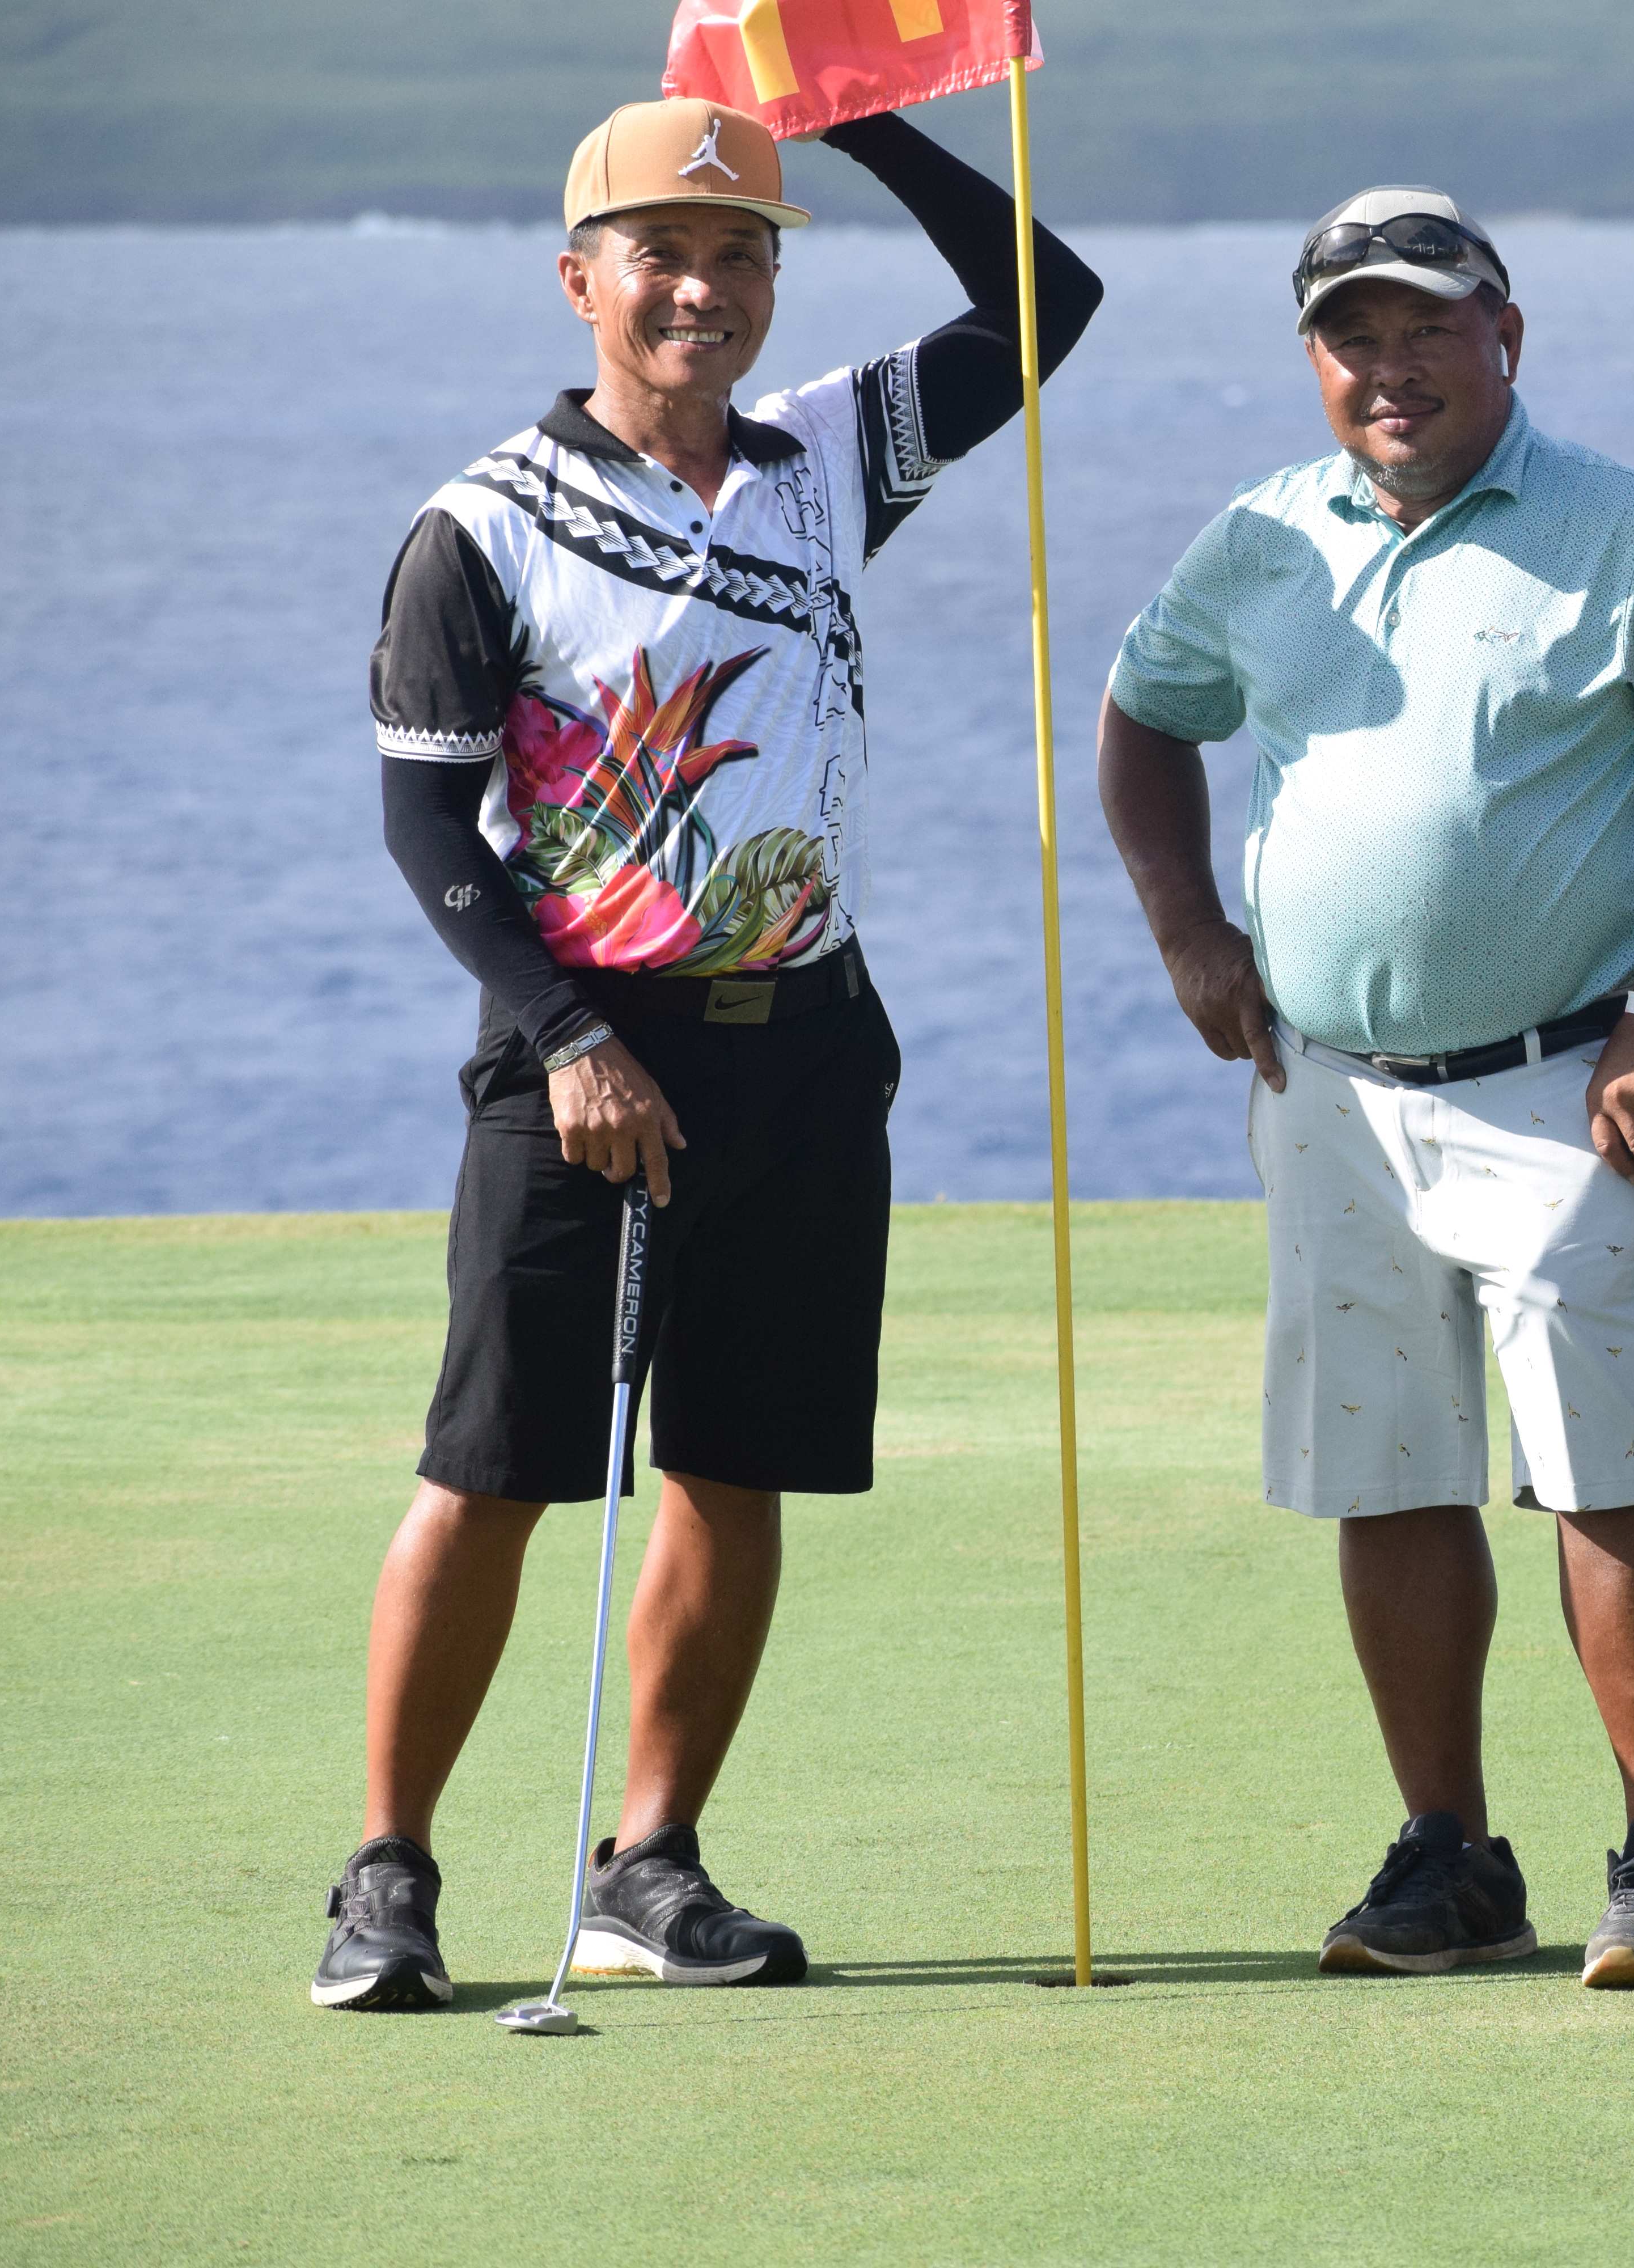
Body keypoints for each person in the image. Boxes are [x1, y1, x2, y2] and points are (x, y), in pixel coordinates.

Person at [313, 98, 1099, 2011]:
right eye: (658, 255)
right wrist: (571, 1034)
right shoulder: (482, 528)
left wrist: (863, 118)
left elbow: (1045, 297)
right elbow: (432, 836)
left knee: (735, 1471)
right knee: (492, 1471)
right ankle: (388, 1876)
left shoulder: (828, 455)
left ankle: (645, 1867)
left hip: (807, 1047)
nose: (701, 289)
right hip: (585, 1056)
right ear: (579, 281)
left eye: (741, 254)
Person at [1098, 188, 1634, 1989]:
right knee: (1387, 1471)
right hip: (1330, 1093)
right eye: (1356, 334)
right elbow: (1141, 717)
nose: (1393, 366)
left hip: (1564, 1085)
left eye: (1430, 326)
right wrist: (1192, 928)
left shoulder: (1630, 529)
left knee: (1602, 1471)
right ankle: (1452, 1854)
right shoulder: (1261, 539)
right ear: (1315, 358)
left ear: (1508, 333)